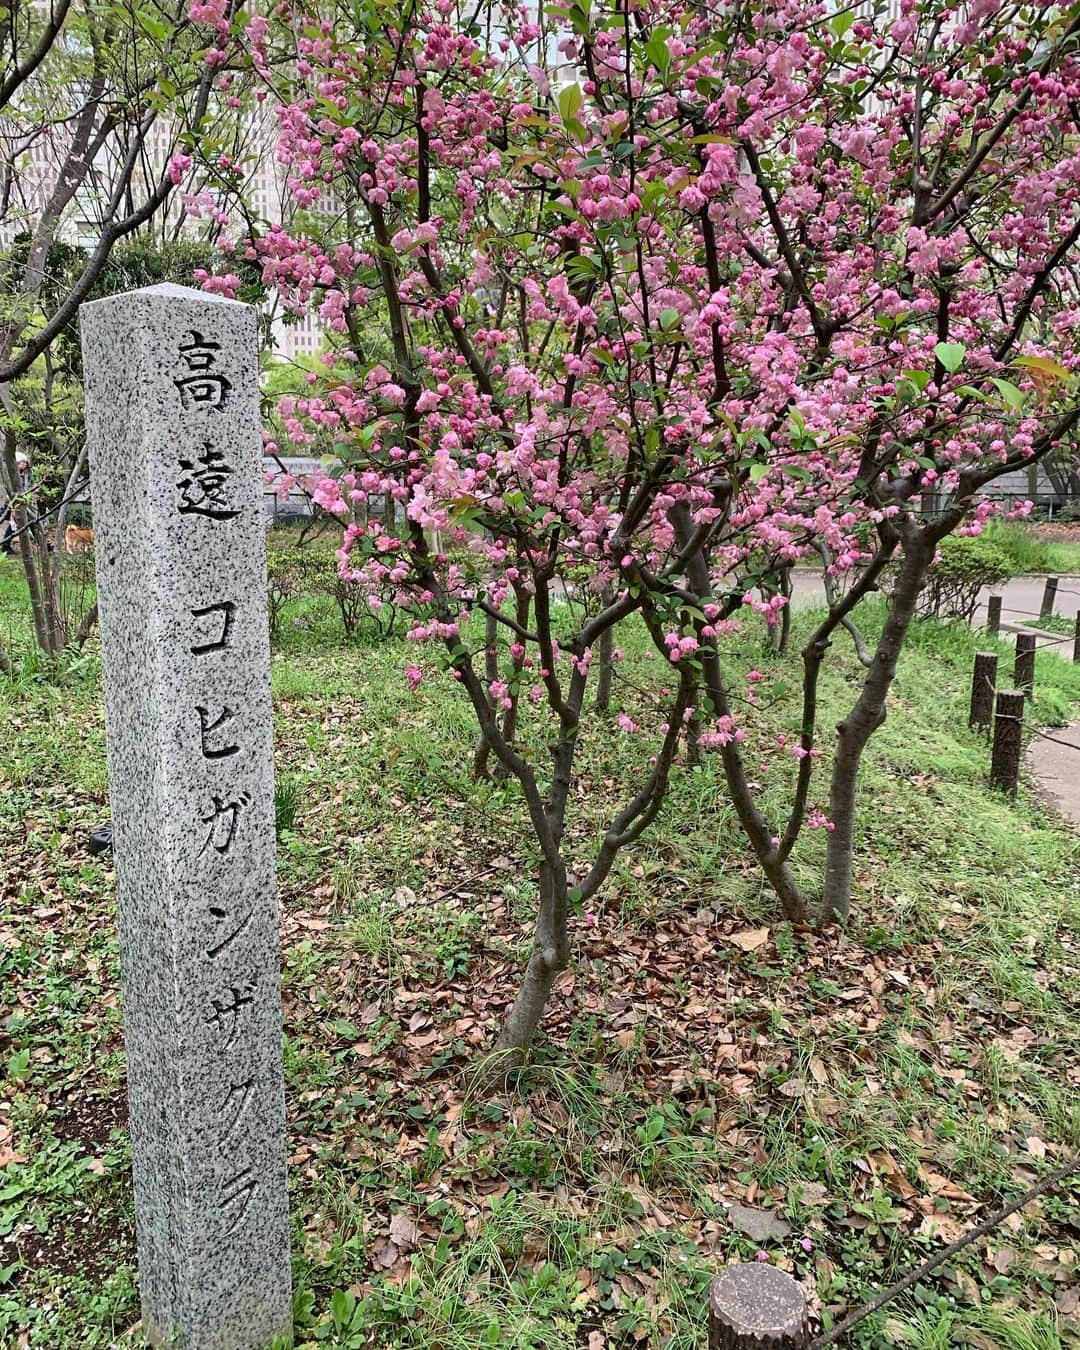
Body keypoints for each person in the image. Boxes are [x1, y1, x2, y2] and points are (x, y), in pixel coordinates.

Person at [1, 452, 29, 555]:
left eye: (25, 463)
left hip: (19, 502)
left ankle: (6, 545)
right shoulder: (13, 475)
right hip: (13, 502)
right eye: (23, 462)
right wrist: (13, 507)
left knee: (14, 523)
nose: (25, 464)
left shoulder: (22, 474)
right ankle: (5, 545)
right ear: (17, 463)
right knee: (12, 522)